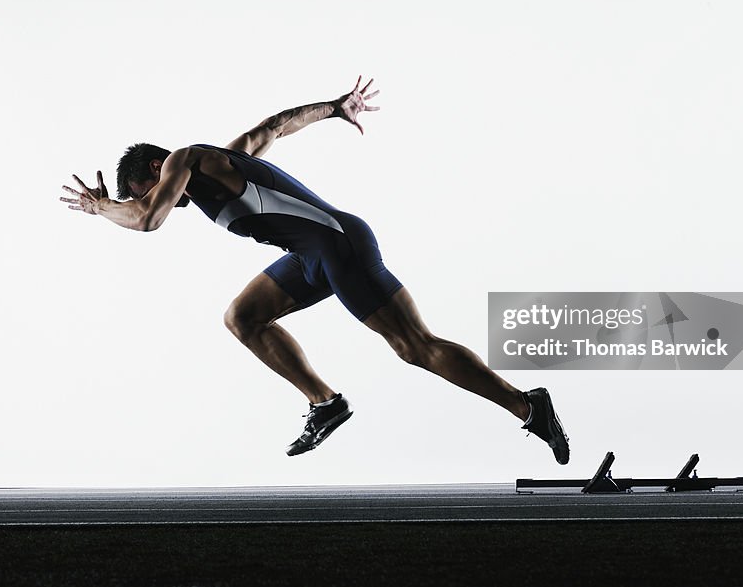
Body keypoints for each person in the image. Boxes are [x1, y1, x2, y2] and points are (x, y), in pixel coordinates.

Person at [60, 77, 570, 462]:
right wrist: (335, 108)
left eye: (141, 192)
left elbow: (147, 222)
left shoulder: (186, 158)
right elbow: (275, 127)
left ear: (156, 169)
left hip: (339, 245)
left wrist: (100, 208)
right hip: (310, 257)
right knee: (243, 317)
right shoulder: (223, 162)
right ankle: (325, 404)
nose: (147, 202)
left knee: (416, 347)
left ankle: (528, 406)